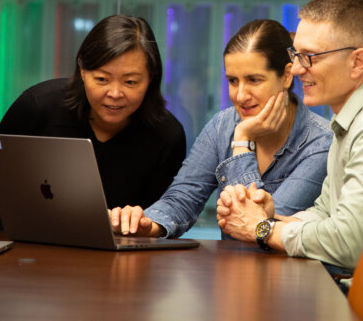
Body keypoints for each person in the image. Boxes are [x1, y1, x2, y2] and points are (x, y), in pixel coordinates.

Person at [216, 0, 363, 273]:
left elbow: (350, 244)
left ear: (357, 62)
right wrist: (271, 218)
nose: (297, 68)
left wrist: (262, 229)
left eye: (310, 57)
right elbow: (325, 213)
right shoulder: (355, 119)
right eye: (296, 54)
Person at [110, 19, 332, 238]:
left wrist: (242, 140)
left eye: (254, 80)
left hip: (288, 273)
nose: (240, 95)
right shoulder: (222, 126)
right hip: (229, 270)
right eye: (233, 81)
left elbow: (260, 230)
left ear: (285, 76)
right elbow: (182, 199)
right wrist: (147, 225)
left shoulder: (320, 142)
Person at [0, 14, 186, 232]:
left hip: (119, 257)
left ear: (151, 78)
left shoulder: (167, 135)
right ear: (83, 71)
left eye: (130, 82)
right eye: (102, 79)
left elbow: (160, 217)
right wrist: (10, 248)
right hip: (29, 249)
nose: (114, 93)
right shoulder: (38, 107)